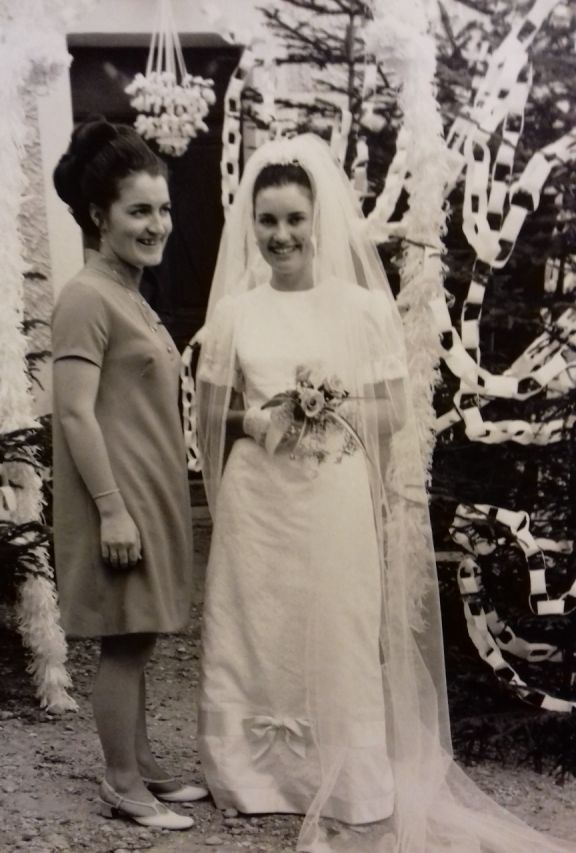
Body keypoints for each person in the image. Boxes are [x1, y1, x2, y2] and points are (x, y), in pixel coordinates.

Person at [195, 134, 575, 853]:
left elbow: (393, 410)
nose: (281, 235)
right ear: (251, 225)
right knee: (256, 621)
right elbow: (210, 416)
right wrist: (262, 416)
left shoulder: (362, 309)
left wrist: (325, 406)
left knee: (337, 621)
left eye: (293, 220)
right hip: (258, 500)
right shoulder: (236, 315)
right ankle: (252, 773)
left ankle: (343, 776)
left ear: (319, 221)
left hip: (332, 492)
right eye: (267, 221)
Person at [51, 118, 206, 831]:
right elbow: (75, 414)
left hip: (147, 489)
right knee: (124, 636)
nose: (157, 224)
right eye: (139, 210)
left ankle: (138, 762)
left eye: (163, 208)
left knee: (138, 633)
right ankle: (120, 783)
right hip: (115, 495)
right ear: (99, 215)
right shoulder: (86, 296)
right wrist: (112, 507)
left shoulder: (131, 292)